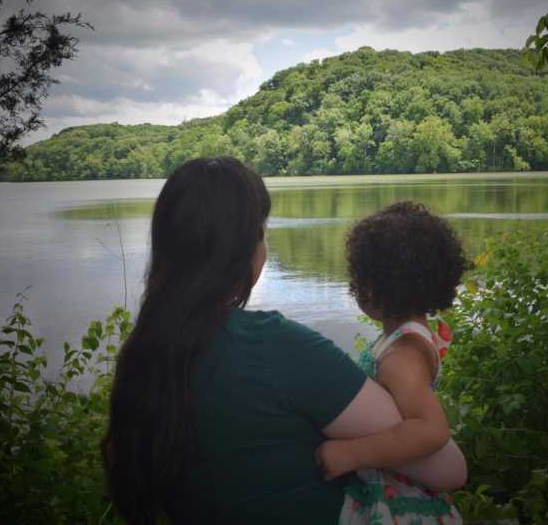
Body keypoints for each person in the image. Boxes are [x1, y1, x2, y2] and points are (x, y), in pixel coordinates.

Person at [101, 158, 467, 525]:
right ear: (245, 249)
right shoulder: (277, 350)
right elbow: (448, 469)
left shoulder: (145, 356)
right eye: (262, 229)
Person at [316, 201, 468, 524]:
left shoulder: (403, 356)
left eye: (360, 278)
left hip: (402, 503)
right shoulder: (409, 334)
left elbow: (431, 431)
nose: (355, 288)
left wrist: (350, 454)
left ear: (379, 286)